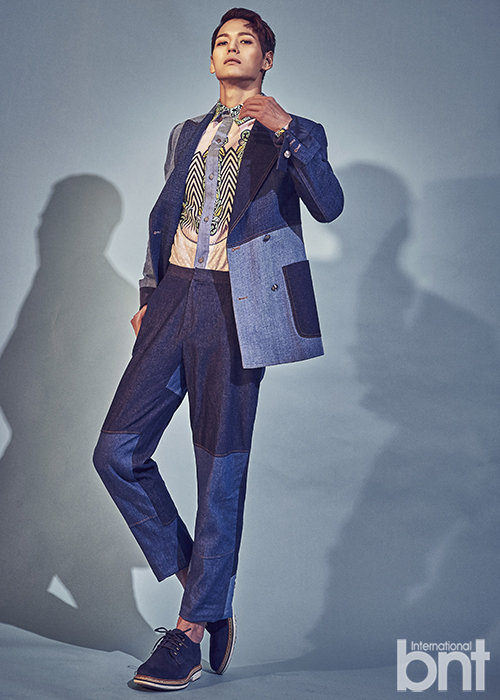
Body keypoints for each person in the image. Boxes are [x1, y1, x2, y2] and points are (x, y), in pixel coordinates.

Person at [93, 6, 343, 691]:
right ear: (211, 61)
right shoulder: (185, 134)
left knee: (219, 469)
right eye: (222, 42)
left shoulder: (296, 133)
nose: (233, 49)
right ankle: (206, 588)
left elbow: (328, 204)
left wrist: (286, 130)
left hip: (240, 305)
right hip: (175, 296)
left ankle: (190, 629)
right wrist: (151, 293)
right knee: (116, 453)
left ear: (266, 59)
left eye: (247, 41)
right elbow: (166, 215)